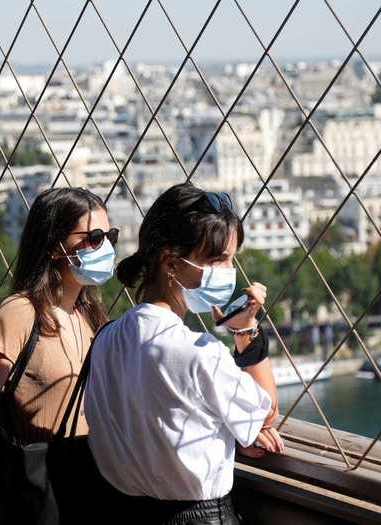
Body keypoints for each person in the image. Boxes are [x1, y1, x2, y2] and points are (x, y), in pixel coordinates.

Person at [84, 183, 283, 525]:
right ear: (171, 263)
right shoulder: (200, 353)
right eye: (218, 259)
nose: (228, 272)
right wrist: (245, 329)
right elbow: (265, 415)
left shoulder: (105, 339)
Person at [0, 187, 119, 525]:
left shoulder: (91, 317)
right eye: (94, 237)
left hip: (84, 493)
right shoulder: (19, 314)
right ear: (55, 246)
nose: (106, 248)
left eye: (109, 236)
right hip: (35, 493)